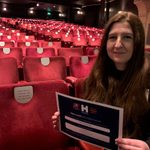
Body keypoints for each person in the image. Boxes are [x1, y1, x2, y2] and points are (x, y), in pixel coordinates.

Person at [52, 11, 150, 150]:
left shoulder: (148, 79)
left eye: (127, 37)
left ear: (138, 42)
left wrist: (147, 146)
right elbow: (91, 121)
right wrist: (68, 121)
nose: (118, 44)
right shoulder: (96, 77)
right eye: (112, 37)